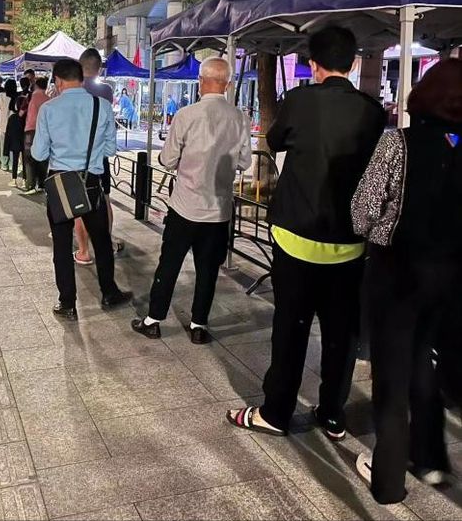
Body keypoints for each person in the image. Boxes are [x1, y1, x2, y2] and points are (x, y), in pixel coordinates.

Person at [226, 26, 385, 440]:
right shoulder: (372, 111)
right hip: (349, 243)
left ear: (313, 65)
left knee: (291, 328)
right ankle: (332, 413)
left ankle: (276, 412)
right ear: (353, 63)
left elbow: (275, 141)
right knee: (340, 333)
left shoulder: (298, 101)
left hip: (294, 236)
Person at [351, 59, 462, 504]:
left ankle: (388, 479)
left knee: (393, 374)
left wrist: (380, 231)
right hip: (451, 277)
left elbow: (363, 211)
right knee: (423, 362)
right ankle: (431, 460)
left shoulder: (398, 142)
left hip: (398, 273)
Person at [132, 57, 252, 344]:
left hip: (184, 205)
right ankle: (199, 325)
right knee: (208, 270)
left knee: (169, 263)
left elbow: (167, 159)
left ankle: (153, 320)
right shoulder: (239, 118)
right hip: (218, 209)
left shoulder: (186, 115)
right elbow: (244, 162)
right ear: (228, 84)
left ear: (200, 81)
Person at [31, 58, 133, 321]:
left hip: (60, 184)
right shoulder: (102, 106)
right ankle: (109, 292)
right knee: (102, 241)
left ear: (58, 81)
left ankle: (67, 303)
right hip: (91, 182)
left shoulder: (49, 109)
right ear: (81, 79)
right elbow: (110, 149)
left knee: (62, 245)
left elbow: (38, 153)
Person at [74, 48, 123, 262]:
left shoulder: (72, 90)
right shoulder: (106, 91)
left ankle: (84, 251)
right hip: (100, 155)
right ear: (99, 68)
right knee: (105, 199)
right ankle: (106, 242)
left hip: (76, 157)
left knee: (78, 204)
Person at [21, 76, 50, 194]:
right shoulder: (49, 99)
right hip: (45, 131)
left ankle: (30, 184)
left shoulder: (30, 97)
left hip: (31, 129)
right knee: (43, 157)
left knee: (29, 157)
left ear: (36, 85)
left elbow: (21, 112)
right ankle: (42, 184)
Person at [4, 92, 29, 188]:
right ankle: (25, 180)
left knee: (15, 161)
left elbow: (8, 133)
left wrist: (6, 148)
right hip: (25, 142)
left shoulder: (12, 118)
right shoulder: (27, 118)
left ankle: (14, 179)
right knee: (25, 161)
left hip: (15, 142)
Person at [0, 78, 18, 171]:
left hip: (2, 122)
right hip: (13, 123)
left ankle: (4, 163)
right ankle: (12, 164)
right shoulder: (17, 96)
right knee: (12, 145)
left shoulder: (1, 95)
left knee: (3, 144)